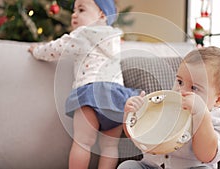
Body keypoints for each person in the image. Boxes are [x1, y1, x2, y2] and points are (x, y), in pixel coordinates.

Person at [28, 0, 140, 168]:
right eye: (74, 10)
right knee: (110, 146)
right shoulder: (115, 38)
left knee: (82, 142)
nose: (74, 14)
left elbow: (56, 48)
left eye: (81, 9)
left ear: (102, 14)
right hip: (115, 97)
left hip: (90, 92)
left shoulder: (83, 34)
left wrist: (36, 50)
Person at [119, 46, 220, 169]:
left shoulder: (215, 120)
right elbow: (137, 137)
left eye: (194, 88)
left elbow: (207, 155)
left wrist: (201, 115)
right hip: (152, 166)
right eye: (180, 82)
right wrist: (131, 115)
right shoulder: (165, 104)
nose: (181, 91)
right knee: (127, 166)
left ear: (219, 99)